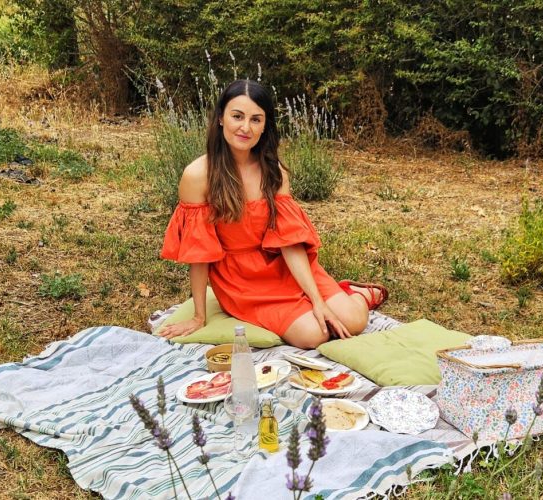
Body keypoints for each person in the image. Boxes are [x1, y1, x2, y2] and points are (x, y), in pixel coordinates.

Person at [154, 79, 387, 349]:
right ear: (220, 118)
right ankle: (326, 304)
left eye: (256, 119)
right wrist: (198, 316)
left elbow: (288, 241)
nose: (245, 128)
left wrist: (318, 301)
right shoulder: (197, 176)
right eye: (237, 116)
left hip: (283, 264)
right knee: (315, 335)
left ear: (265, 126)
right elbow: (199, 253)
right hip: (241, 280)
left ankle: (359, 294)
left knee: (353, 322)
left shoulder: (273, 170)